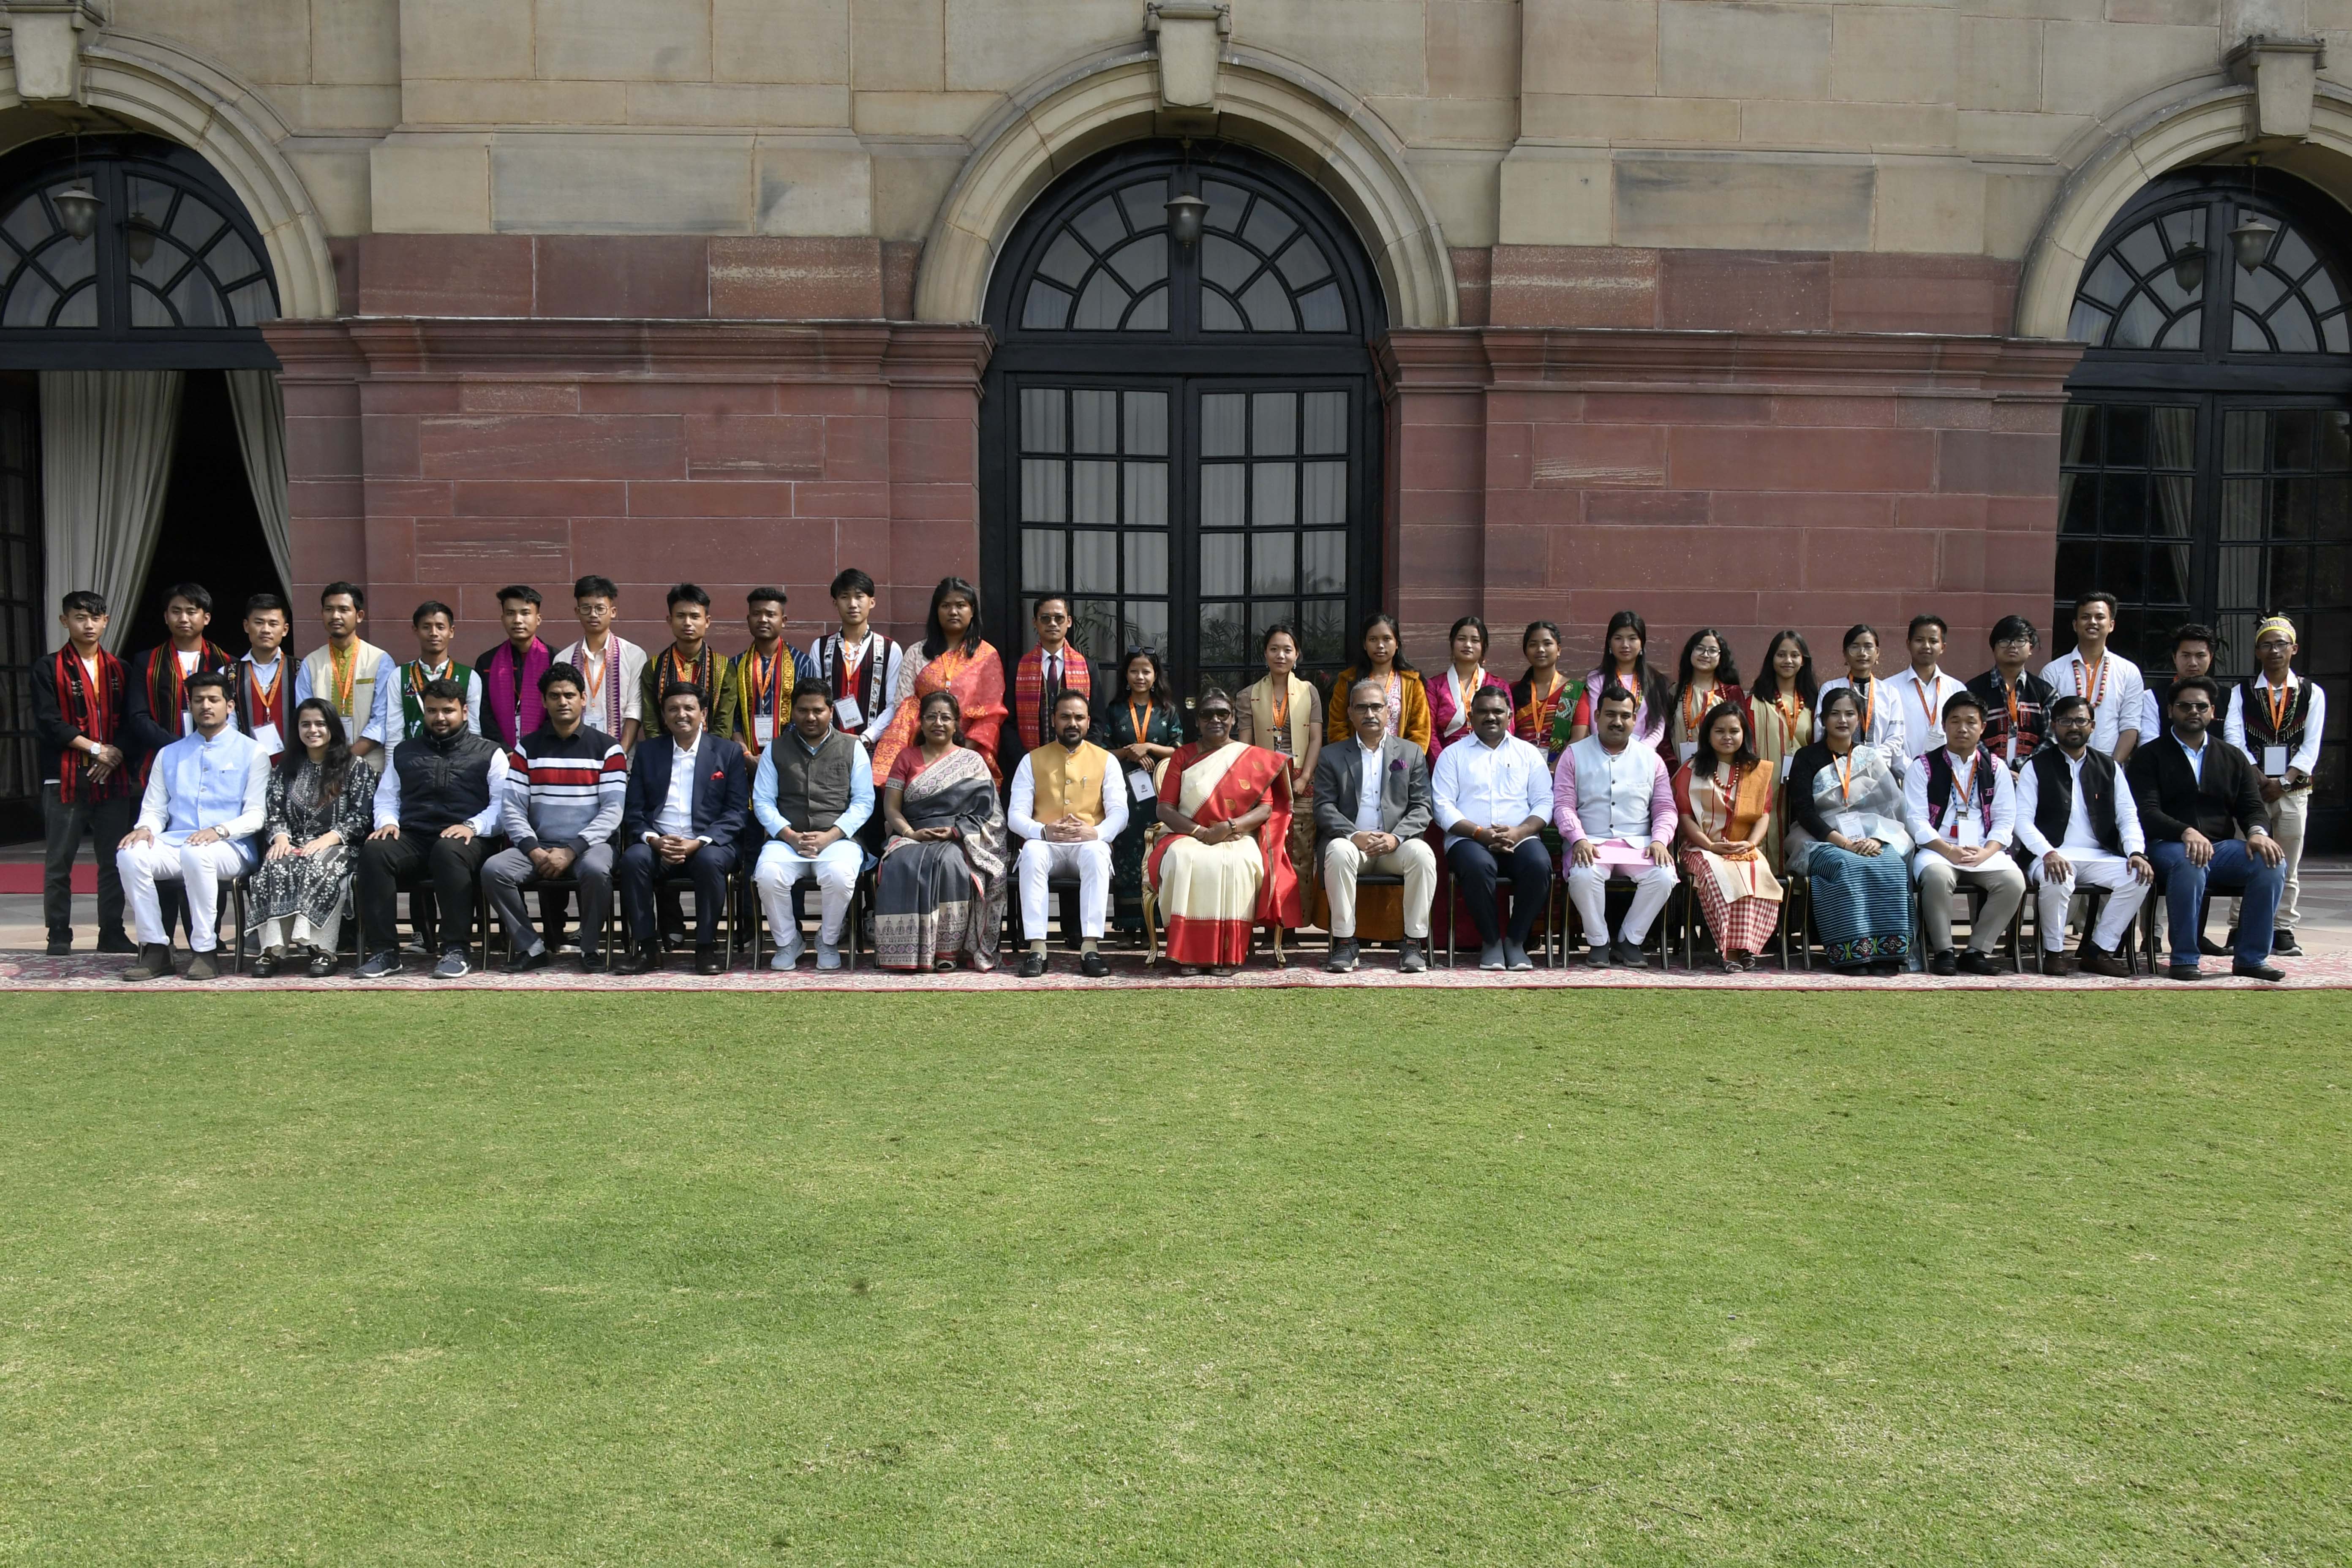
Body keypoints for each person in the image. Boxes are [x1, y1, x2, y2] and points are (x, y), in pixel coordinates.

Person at [2127, 675, 2285, 982]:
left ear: (2213, 712)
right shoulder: (2149, 756)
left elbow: (2252, 807)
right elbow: (2146, 812)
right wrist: (2185, 832)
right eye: (2185, 706)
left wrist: (2257, 833)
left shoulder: (2233, 757)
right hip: (2166, 845)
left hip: (2220, 849)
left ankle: (2251, 959)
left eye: (2201, 706)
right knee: (2191, 861)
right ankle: (2185, 958)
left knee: (2271, 862)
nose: (2194, 711)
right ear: (2170, 710)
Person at [116, 671, 268, 982]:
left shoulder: (253, 752)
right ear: (191, 706)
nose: (206, 706)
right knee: (130, 855)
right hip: (177, 843)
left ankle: (205, 950)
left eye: (213, 699)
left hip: (231, 847)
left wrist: (220, 831)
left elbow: (257, 815)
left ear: (230, 706)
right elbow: (155, 808)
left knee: (197, 854)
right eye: (199, 700)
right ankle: (156, 948)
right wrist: (145, 828)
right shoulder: (170, 754)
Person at [357, 678, 509, 980]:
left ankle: (456, 949)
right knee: (375, 852)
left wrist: (472, 826)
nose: (440, 718)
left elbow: (503, 806)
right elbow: (387, 798)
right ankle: (385, 952)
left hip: (469, 840)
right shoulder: (405, 752)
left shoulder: (490, 753)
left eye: (448, 711)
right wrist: (388, 823)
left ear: (465, 712)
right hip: (414, 837)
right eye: (432, 711)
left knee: (448, 850)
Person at [484, 663, 627, 973]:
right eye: (555, 696)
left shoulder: (609, 749)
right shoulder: (527, 749)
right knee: (494, 870)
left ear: (583, 699)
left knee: (597, 870)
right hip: (540, 845)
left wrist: (572, 850)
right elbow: (512, 808)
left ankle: (590, 948)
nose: (563, 702)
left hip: (590, 846)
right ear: (545, 702)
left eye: (569, 695)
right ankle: (531, 948)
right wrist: (534, 850)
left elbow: (613, 811)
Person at [1151, 689, 1301, 975]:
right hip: (1188, 834)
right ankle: (1188, 954)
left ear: (1234, 719)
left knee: (1237, 863)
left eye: (1223, 714)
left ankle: (1229, 954)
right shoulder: (1183, 755)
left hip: (1238, 835)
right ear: (1198, 721)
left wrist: (1229, 827)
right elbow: (1165, 809)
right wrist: (1201, 832)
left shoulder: (1251, 758)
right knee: (1182, 860)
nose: (1216, 720)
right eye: (1208, 715)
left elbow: (1265, 809)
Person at [616, 682, 750, 976]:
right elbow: (634, 810)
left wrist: (699, 842)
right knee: (633, 860)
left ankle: (705, 947)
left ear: (703, 714)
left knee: (710, 861)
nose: (681, 715)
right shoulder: (649, 752)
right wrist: (654, 840)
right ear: (664, 716)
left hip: (708, 845)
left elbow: (737, 812)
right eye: (673, 709)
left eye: (689, 708)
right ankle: (647, 949)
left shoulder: (726, 752)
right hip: (659, 844)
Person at [874, 688, 1011, 972]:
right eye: (931, 717)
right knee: (899, 863)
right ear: (921, 722)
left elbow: (989, 814)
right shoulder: (905, 758)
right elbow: (892, 809)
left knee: (951, 864)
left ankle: (947, 951)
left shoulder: (972, 762)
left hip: (957, 838)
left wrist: (955, 832)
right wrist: (910, 834)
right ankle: (902, 952)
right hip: (911, 834)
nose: (938, 723)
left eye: (946, 718)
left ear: (957, 723)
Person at [2014, 694, 2150, 977]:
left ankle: (2098, 951)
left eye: (2081, 721)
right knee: (2058, 876)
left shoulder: (2109, 767)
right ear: (2054, 725)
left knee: (2138, 876)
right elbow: (2022, 820)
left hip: (2100, 855)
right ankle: (2054, 952)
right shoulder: (2035, 766)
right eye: (2066, 721)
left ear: (2093, 726)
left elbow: (2128, 816)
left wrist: (2136, 852)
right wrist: (2048, 853)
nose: (2074, 727)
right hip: (2050, 854)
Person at [1783, 685, 1914, 975]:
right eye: (1835, 714)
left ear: (1860, 720)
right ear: (1823, 720)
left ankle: (1888, 952)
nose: (1842, 720)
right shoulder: (1806, 757)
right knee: (1846, 865)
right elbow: (1805, 812)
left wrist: (1877, 839)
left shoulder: (1870, 757)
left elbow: (1892, 807)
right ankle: (1852, 952)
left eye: (1850, 714)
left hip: (1870, 835)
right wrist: (1844, 843)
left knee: (1891, 864)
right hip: (1818, 836)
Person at [32, 590, 136, 956]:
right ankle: (59, 932)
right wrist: (95, 750)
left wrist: (112, 755)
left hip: (113, 777)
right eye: (79, 617)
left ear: (106, 621)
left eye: (95, 617)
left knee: (113, 860)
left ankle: (112, 932)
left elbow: (132, 720)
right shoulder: (48, 667)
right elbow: (48, 722)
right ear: (65, 621)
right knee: (60, 860)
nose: (88, 624)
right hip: (64, 777)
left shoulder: (120, 669)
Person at [247, 698, 378, 977]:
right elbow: (274, 812)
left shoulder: (356, 767)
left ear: (333, 728)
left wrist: (329, 839)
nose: (313, 730)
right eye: (306, 724)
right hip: (294, 843)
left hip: (341, 846)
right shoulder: (285, 769)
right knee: (275, 865)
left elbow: (361, 817)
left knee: (321, 866)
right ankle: (272, 950)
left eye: (320, 724)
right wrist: (281, 838)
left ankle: (324, 950)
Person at [1315, 676, 1436, 973]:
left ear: (1388, 711)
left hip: (1395, 847)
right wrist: (1354, 835)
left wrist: (1396, 838)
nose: (1370, 714)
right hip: (1354, 848)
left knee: (1423, 855)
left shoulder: (1410, 753)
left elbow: (1423, 806)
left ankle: (1413, 943)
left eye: (1376, 707)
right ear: (1350, 713)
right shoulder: (1332, 755)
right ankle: (1345, 943)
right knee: (1338, 851)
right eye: (1362, 708)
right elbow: (1324, 807)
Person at [1902, 690, 2026, 976]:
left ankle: (1976, 951)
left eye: (1971, 722)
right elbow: (1915, 820)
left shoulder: (1996, 768)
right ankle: (1944, 951)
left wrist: (1987, 852)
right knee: (1936, 877)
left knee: (2013, 882)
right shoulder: (1923, 766)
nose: (1963, 728)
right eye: (1955, 721)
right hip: (1938, 849)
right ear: (1944, 725)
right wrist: (1948, 850)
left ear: (1983, 728)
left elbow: (2005, 820)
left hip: (1983, 850)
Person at [752, 683, 874, 972]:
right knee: (768, 875)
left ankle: (828, 941)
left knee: (841, 875)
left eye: (818, 710)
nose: (810, 717)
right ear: (792, 712)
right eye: (803, 710)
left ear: (831, 711)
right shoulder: (776, 749)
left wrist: (831, 836)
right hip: (787, 840)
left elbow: (864, 802)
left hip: (838, 840)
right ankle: (788, 942)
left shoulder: (852, 747)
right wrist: (790, 836)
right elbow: (763, 802)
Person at [1009, 689, 1128, 977]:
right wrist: (1043, 831)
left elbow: (1120, 813)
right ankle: (1037, 949)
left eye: (1079, 717)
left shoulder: (1106, 760)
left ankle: (1090, 948)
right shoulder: (1031, 760)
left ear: (1088, 722)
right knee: (1032, 852)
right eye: (1065, 717)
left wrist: (1096, 833)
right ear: (1053, 720)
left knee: (1098, 853)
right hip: (1047, 844)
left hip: (1087, 845)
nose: (1072, 723)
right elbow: (1015, 816)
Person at [1555, 684, 1676, 969]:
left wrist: (1660, 840)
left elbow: (1665, 807)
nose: (1617, 722)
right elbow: (1563, 805)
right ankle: (1599, 942)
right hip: (1591, 842)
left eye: (1625, 716)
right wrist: (1578, 838)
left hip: (1639, 845)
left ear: (1634, 719)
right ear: (1597, 716)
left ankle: (1629, 941)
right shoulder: (1574, 754)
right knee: (1584, 876)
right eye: (1610, 714)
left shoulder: (1651, 759)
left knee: (1664, 876)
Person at [2224, 616, 2324, 958]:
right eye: (2267, 645)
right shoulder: (2242, 691)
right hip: (2251, 790)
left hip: (2294, 791)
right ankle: (2239, 926)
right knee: (2246, 855)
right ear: (2257, 651)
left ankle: (2283, 928)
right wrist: (2256, 775)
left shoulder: (2311, 692)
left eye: (2281, 644)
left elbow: (2312, 744)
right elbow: (2234, 738)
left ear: (2294, 649)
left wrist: (2284, 781)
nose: (2274, 651)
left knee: (2289, 862)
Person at [1437, 684, 1556, 970]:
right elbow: (1442, 806)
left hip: (1521, 837)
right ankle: (1491, 942)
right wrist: (1480, 834)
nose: (1491, 717)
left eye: (1498, 712)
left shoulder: (1528, 754)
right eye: (1483, 711)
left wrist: (1520, 832)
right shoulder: (1453, 755)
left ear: (1510, 716)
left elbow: (1544, 802)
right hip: (1469, 839)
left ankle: (1515, 942)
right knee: (1478, 866)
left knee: (1539, 865)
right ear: (1471, 716)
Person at [1673, 701, 1781, 972]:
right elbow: (1685, 817)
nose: (1727, 737)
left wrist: (1751, 844)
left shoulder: (1756, 771)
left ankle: (1747, 946)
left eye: (1734, 731)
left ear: (1745, 734)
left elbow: (1763, 815)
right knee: (1718, 876)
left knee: (1756, 874)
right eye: (1719, 731)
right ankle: (1729, 950)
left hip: (1744, 847)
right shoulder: (1690, 770)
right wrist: (1711, 846)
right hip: (1700, 848)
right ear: (1708, 735)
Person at [870, 577, 1008, 784]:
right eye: (946, 606)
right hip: (922, 753)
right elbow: (904, 706)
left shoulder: (987, 656)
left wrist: (959, 753)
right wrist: (929, 749)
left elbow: (991, 714)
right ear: (936, 611)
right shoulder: (917, 653)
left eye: (961, 606)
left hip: (969, 755)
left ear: (972, 611)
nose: (953, 612)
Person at [1097, 645, 1184, 934]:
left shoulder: (1167, 711)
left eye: (1146, 671)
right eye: (1134, 671)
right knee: (1126, 853)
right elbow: (1102, 751)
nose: (1140, 677)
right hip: (1123, 791)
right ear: (1126, 675)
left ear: (1156, 675)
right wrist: (1129, 752)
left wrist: (1148, 747)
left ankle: (1155, 924)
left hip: (1159, 792)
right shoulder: (1115, 711)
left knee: (1156, 850)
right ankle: (1128, 925)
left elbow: (1179, 750)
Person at [1235, 623, 1323, 902]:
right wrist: (1258, 782)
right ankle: (1266, 917)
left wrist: (1304, 777)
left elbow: (1316, 739)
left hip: (1301, 779)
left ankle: (1298, 920)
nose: (1281, 656)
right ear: (1265, 654)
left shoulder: (1309, 692)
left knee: (1301, 851)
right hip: (1263, 780)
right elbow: (1246, 746)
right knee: (1265, 849)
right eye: (1274, 649)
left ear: (1297, 655)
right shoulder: (1248, 695)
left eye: (1287, 650)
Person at [125, 582, 234, 771]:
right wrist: (179, 746)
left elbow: (233, 714)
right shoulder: (147, 661)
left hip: (218, 757)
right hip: (163, 754)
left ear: (206, 618)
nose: (184, 618)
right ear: (166, 617)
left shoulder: (226, 663)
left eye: (191, 612)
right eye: (176, 612)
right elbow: (138, 716)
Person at [294, 582, 394, 768]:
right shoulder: (311, 663)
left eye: (344, 610)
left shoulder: (380, 660)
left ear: (359, 616)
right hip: (322, 763)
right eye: (329, 610)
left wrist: (347, 758)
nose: (335, 616)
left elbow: (382, 719)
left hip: (369, 763)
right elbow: (304, 717)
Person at [722, 585, 822, 764]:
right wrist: (746, 754)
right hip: (746, 761)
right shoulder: (735, 665)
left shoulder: (802, 663)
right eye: (756, 614)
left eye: (770, 614)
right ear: (748, 620)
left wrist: (775, 754)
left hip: (792, 758)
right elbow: (732, 716)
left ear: (783, 621)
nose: (763, 620)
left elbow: (804, 713)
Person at [2043, 591, 2145, 762]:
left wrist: (2111, 768)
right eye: (2086, 617)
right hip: (2061, 765)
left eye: (2100, 617)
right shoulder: (2053, 671)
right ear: (2075, 625)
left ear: (2111, 625)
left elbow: (2130, 726)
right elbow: (2048, 725)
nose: (2092, 622)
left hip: (2110, 764)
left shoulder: (2128, 671)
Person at [1746, 629, 1816, 873]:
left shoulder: (1814, 701)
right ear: (1771, 659)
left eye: (1795, 655)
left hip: (1805, 784)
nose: (1788, 661)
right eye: (1781, 655)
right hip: (1768, 784)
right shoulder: (1755, 702)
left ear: (1803, 661)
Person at [555, 574, 647, 753]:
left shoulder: (634, 655)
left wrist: (620, 754)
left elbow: (635, 709)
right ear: (577, 612)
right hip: (575, 754)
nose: (593, 614)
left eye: (600, 608)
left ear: (613, 612)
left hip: (622, 755)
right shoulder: (564, 659)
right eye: (586, 608)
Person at [811, 568, 901, 748]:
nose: (852, 604)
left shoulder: (890, 649)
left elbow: (894, 704)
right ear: (835, 603)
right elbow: (815, 699)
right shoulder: (820, 647)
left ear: (872, 602)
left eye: (859, 597)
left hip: (874, 748)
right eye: (845, 597)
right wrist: (832, 736)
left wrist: (866, 737)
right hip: (828, 746)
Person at [637, 583, 738, 732]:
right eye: (681, 616)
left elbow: (724, 725)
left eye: (695, 617)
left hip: (711, 746)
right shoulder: (654, 667)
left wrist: (708, 747)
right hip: (665, 745)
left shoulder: (724, 668)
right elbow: (651, 722)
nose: (687, 623)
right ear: (670, 621)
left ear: (707, 622)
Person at [1004, 593, 1092, 766]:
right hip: (1029, 763)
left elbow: (1096, 719)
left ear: (1069, 622)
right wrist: (1026, 760)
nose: (1052, 624)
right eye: (1045, 618)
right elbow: (1008, 722)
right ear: (1035, 622)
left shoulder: (1087, 667)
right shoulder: (1018, 668)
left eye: (1059, 618)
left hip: (1078, 763)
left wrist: (1082, 757)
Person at [1325, 612, 1431, 754]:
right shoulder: (1348, 680)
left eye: (1387, 639)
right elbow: (1337, 727)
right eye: (1373, 640)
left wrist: (1405, 761)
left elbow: (1420, 731)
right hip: (1356, 760)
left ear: (1397, 644)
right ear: (1365, 645)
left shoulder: (1412, 683)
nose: (1380, 645)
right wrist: (1352, 758)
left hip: (1399, 761)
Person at [1568, 610, 1670, 746]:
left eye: (1632, 639)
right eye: (1618, 638)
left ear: (1642, 643)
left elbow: (1657, 726)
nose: (1625, 645)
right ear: (1609, 643)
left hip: (1644, 752)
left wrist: (1639, 751)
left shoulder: (1655, 680)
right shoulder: (1597, 680)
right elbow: (1596, 723)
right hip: (1605, 751)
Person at [1968, 614, 2058, 769]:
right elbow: (1969, 734)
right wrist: (1999, 769)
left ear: (2031, 648)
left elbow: (2052, 738)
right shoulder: (1973, 690)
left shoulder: (2046, 693)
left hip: (2034, 775)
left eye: (2020, 640)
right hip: (1984, 773)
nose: (2012, 646)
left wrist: (2025, 768)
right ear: (1993, 648)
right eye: (2005, 641)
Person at [1816, 623, 1907, 768]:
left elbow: (1895, 738)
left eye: (1868, 647)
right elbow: (1820, 730)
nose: (1862, 653)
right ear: (1845, 654)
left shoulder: (1890, 692)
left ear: (1877, 653)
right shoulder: (1831, 688)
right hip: (1836, 766)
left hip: (1879, 768)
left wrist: (1871, 759)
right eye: (1855, 647)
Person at [475, 585, 554, 751]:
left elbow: (557, 710)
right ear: (503, 618)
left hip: (545, 751)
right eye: (511, 613)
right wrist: (504, 750)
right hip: (500, 753)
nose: (518, 620)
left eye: (525, 613)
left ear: (538, 619)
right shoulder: (487, 662)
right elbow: (484, 713)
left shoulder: (555, 659)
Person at [393, 600, 483, 742]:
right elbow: (394, 732)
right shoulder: (399, 676)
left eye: (440, 627)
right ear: (416, 631)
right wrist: (395, 757)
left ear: (451, 632)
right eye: (426, 627)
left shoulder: (470, 677)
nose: (434, 633)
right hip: (412, 754)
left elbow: (474, 731)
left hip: (458, 755)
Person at [1425, 614, 1511, 762]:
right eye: (1462, 639)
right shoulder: (1434, 686)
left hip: (1490, 758)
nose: (1468, 645)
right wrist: (1443, 763)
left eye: (1475, 640)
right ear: (1452, 643)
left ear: (1484, 646)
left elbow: (1508, 727)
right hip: (1448, 759)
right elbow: (1429, 732)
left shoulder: (1498, 685)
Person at [1889, 615, 1967, 768]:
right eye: (1919, 640)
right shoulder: (1889, 688)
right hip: (1903, 775)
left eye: (1933, 641)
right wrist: (1913, 772)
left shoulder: (1957, 689)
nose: (1926, 646)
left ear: (1943, 647)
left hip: (1948, 773)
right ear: (1908, 644)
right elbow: (1889, 739)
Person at [1663, 626, 1745, 769]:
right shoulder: (1674, 692)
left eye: (1713, 651)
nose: (1706, 655)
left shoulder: (1730, 693)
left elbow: (1742, 735)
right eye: (1700, 649)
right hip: (1680, 770)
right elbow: (1664, 737)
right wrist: (1674, 768)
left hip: (1721, 770)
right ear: (1691, 652)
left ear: (1721, 657)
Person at [233, 593, 295, 765]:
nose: (266, 630)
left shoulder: (301, 670)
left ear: (285, 629)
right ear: (247, 626)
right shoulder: (229, 674)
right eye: (259, 623)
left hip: (294, 765)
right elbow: (227, 726)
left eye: (273, 624)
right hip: (245, 764)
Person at [2137, 621, 2215, 754]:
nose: (2193, 663)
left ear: (2211, 657)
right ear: (2175, 657)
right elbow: (2148, 743)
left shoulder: (2228, 697)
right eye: (2186, 656)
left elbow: (2234, 745)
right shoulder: (2152, 697)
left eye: (2200, 656)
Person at [1508, 620, 1579, 762]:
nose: (1540, 649)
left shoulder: (1576, 691)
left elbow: (1578, 739)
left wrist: (1554, 770)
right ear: (1526, 652)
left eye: (1547, 644)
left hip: (1561, 769)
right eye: (1533, 645)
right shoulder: (1512, 691)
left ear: (1559, 650)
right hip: (1519, 766)